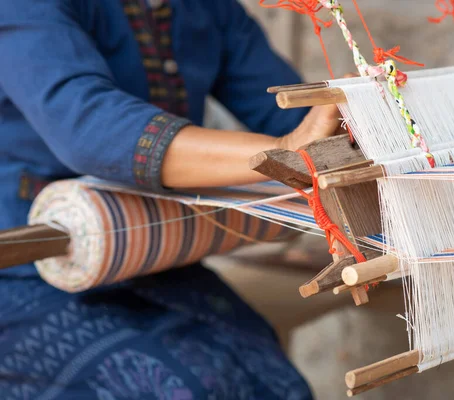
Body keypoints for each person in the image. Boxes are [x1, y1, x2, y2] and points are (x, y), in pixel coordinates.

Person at [0, 1, 342, 399]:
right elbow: (89, 126)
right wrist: (285, 150)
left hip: (150, 256)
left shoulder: (208, 10)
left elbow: (294, 116)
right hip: (26, 267)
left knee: (276, 385)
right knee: (179, 388)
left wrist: (364, 130)